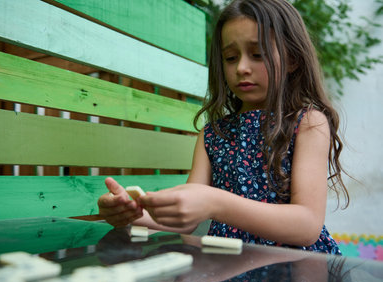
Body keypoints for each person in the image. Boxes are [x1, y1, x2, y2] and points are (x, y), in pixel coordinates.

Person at [97, 0, 349, 254]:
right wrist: (130, 213)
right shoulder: (213, 135)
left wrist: (215, 203)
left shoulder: (307, 123)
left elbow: (307, 226)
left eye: (258, 54)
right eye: (230, 57)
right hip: (228, 272)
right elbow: (187, 222)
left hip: (293, 273)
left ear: (292, 59)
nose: (241, 68)